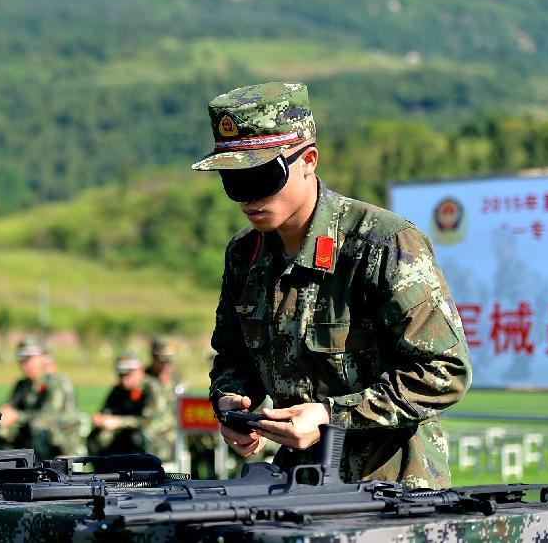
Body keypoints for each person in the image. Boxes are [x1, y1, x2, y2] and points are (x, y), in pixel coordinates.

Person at [192, 82, 471, 487]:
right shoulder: (245, 255)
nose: (247, 197)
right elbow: (233, 355)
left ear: (309, 161)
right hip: (296, 484)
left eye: (262, 176)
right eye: (233, 181)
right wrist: (232, 402)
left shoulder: (382, 244)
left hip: (391, 489)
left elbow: (444, 371)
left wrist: (327, 415)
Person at [0, 338, 81, 459]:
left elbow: (48, 416)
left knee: (38, 426)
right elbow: (8, 407)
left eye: (29, 359)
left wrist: (17, 416)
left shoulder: (56, 382)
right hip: (30, 435)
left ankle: (41, 472)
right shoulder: (22, 384)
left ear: (43, 359)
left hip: (59, 439)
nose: (24, 364)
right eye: (22, 360)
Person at [87, 350, 174, 460]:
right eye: (121, 375)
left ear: (140, 371)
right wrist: (101, 419)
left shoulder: (152, 389)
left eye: (128, 374)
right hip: (126, 436)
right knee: (99, 436)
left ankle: (144, 473)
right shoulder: (118, 390)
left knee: (139, 436)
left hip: (160, 439)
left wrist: (119, 422)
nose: (124, 380)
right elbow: (107, 411)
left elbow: (148, 421)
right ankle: (105, 473)